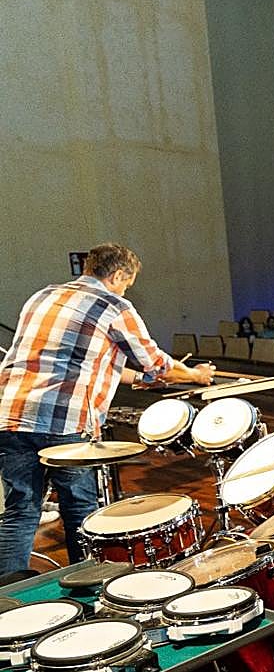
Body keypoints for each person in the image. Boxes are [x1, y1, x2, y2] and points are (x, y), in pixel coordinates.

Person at [0, 243, 215, 573]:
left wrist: (138, 379)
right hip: (64, 423)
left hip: (12, 415)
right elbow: (157, 364)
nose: (126, 290)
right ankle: (86, 587)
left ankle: (7, 595)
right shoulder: (114, 306)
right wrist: (194, 375)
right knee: (79, 508)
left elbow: (80, 361)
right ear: (117, 275)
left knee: (21, 511)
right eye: (127, 283)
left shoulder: (43, 296)